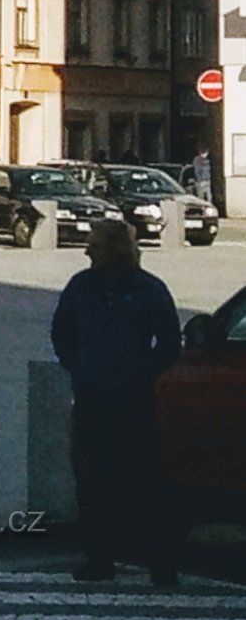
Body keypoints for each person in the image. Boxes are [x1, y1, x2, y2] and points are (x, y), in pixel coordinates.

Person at [50, 219, 181, 585]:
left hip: (133, 401)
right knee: (92, 481)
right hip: (92, 398)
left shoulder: (148, 290)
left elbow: (170, 343)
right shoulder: (80, 286)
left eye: (95, 244)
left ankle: (161, 562)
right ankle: (100, 559)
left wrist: (141, 372)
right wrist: (77, 364)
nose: (87, 250)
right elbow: (61, 330)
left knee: (144, 481)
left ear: (114, 249)